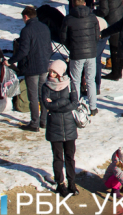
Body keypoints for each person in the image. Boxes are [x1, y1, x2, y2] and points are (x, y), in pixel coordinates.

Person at [41, 59, 80, 195]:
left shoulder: (69, 85)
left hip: (69, 126)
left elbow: (75, 103)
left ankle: (72, 183)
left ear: (60, 72)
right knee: (58, 157)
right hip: (54, 127)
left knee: (70, 157)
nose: (50, 74)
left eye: (53, 71)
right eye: (50, 71)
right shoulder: (45, 86)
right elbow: (47, 105)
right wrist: (64, 102)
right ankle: (60, 183)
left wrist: (57, 103)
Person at [12, 5, 52, 131]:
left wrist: (11, 61)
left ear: (25, 16)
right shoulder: (44, 27)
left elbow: (23, 51)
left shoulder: (26, 30)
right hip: (44, 66)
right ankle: (44, 121)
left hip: (32, 68)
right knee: (43, 94)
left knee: (33, 96)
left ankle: (34, 123)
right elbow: (49, 48)